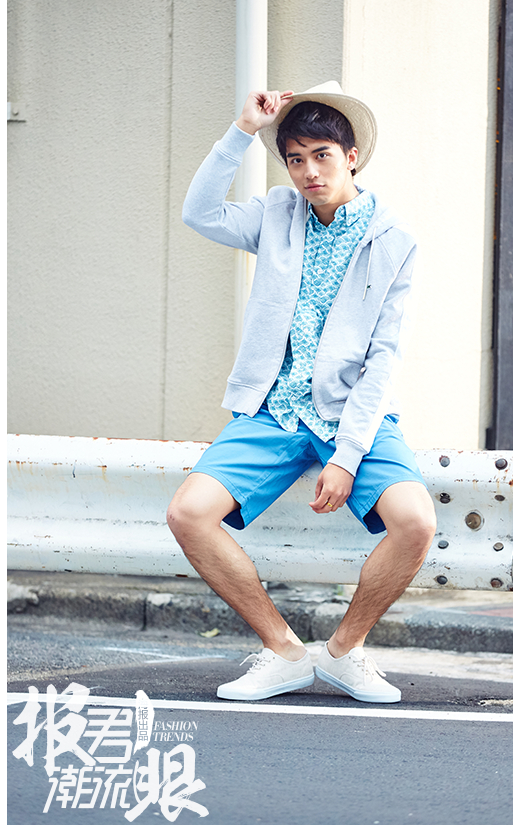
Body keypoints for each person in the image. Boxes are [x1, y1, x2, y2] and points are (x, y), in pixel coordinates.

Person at [167, 82, 436, 704]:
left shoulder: (394, 239)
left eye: (322, 155)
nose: (309, 171)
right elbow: (199, 213)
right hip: (275, 410)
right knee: (188, 513)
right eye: (295, 159)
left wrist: (347, 456)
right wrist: (242, 130)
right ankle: (284, 652)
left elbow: (384, 358)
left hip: (353, 414)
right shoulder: (276, 214)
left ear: (351, 157)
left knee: (416, 522)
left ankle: (343, 653)